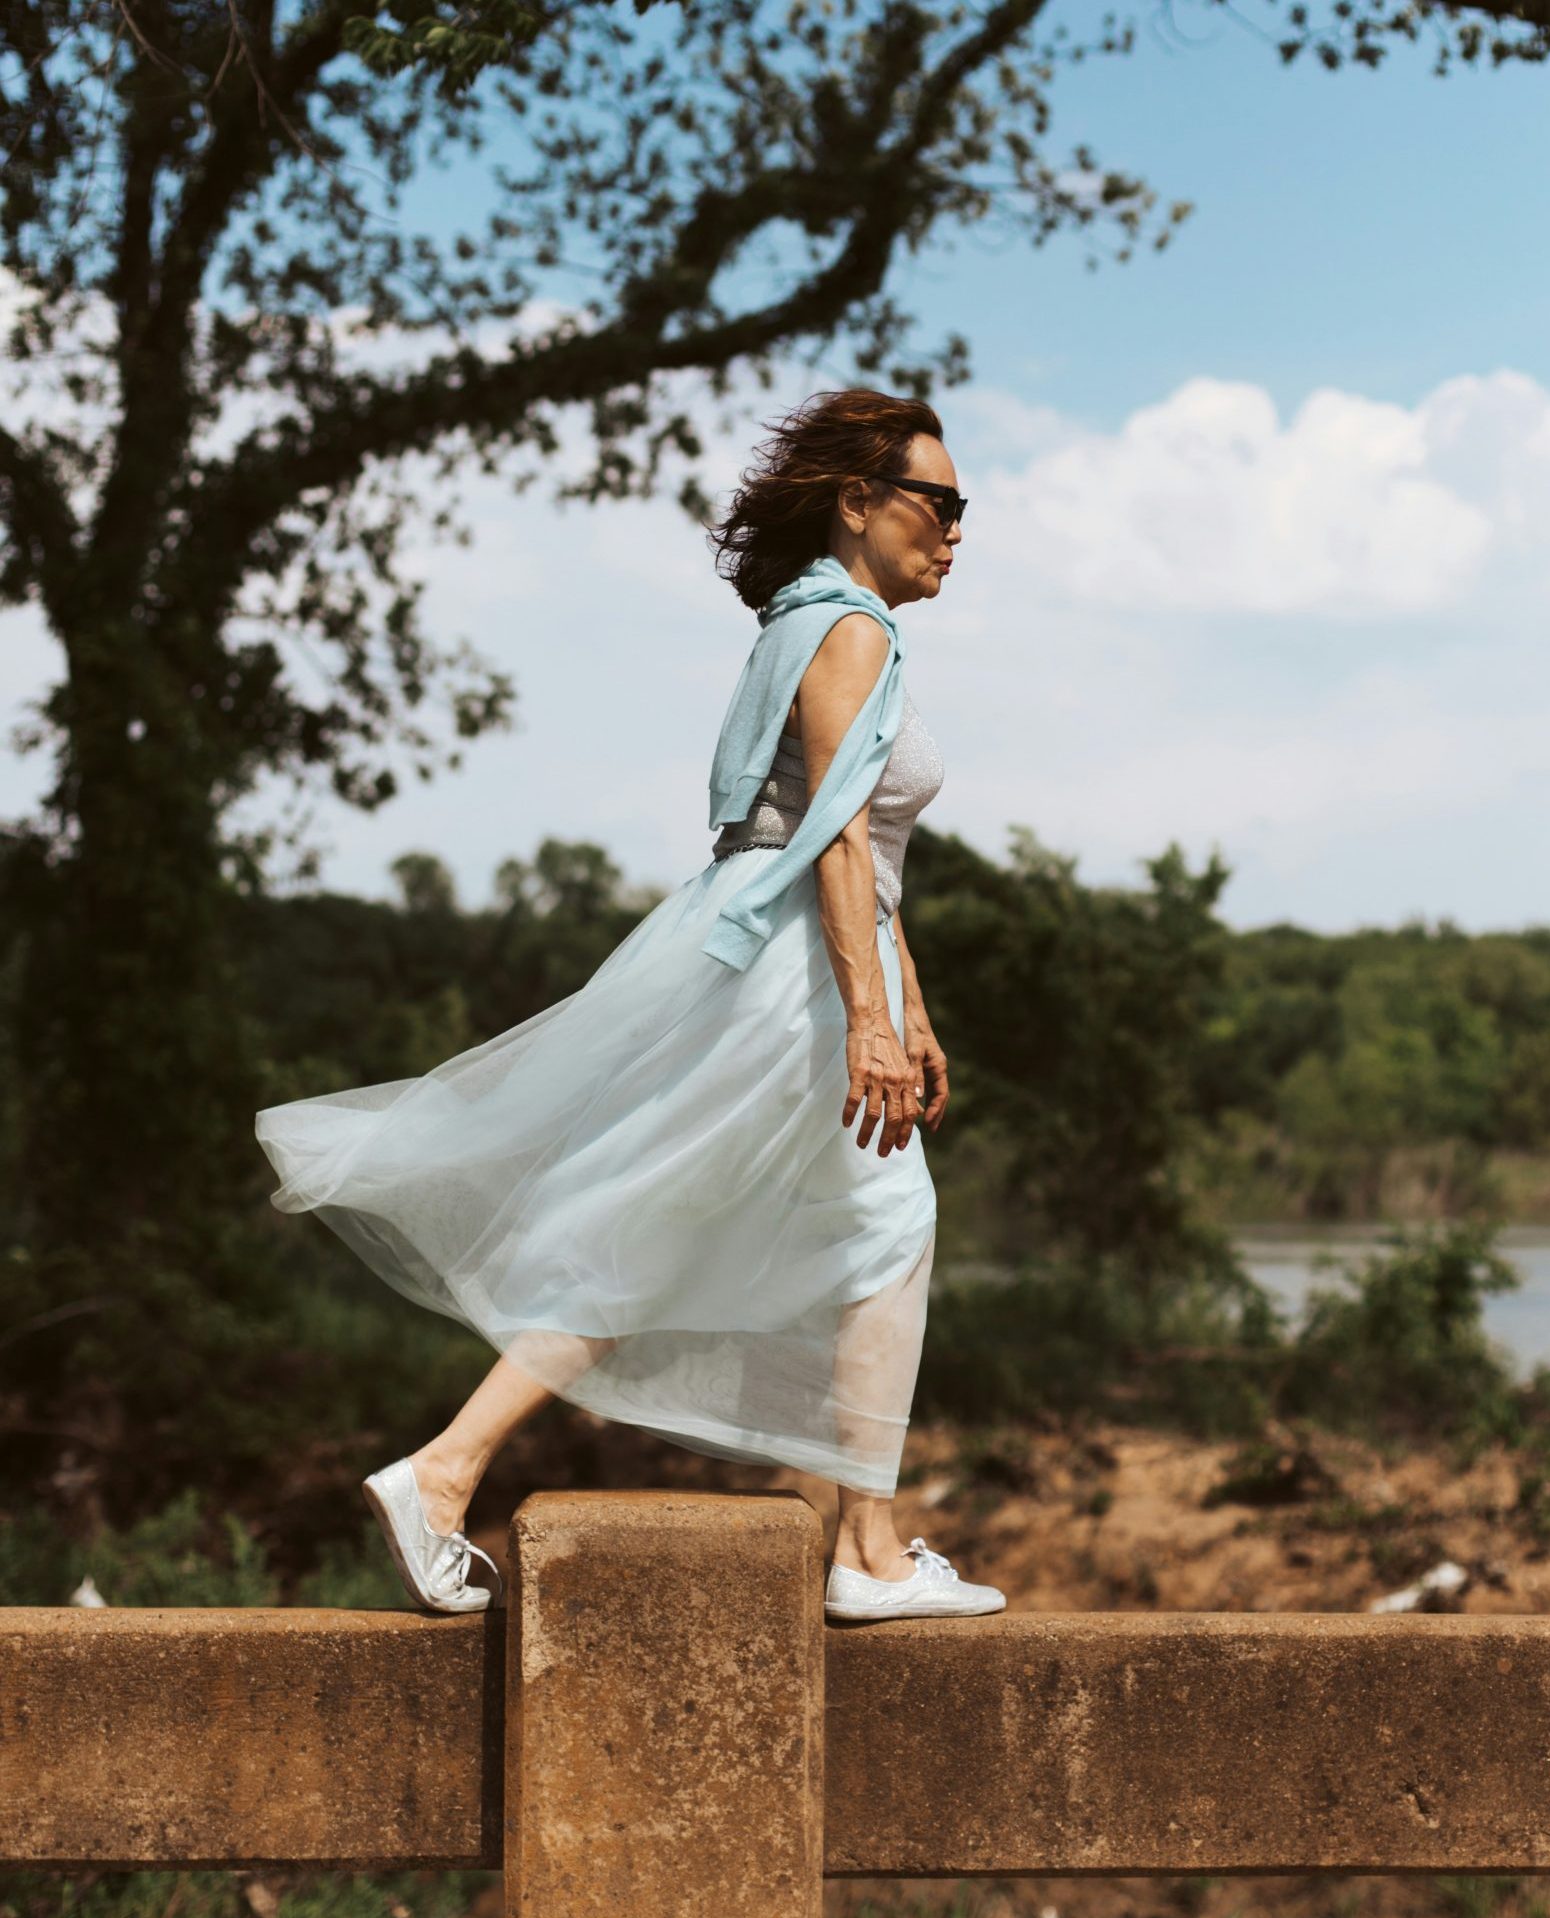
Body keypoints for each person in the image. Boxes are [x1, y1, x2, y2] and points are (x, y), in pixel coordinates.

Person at [255, 385, 1005, 1625]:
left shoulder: (809, 620)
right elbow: (827, 842)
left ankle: (456, 1472)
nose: (957, 529)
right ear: (857, 502)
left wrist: (907, 1004)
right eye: (940, 501)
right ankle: (855, 1551)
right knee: (862, 1223)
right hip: (795, 981)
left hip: (796, 961)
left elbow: (861, 851)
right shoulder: (851, 631)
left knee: (708, 1226)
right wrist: (867, 1020)